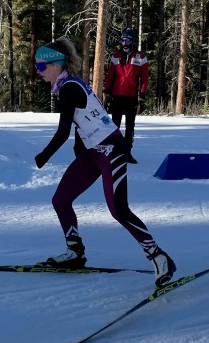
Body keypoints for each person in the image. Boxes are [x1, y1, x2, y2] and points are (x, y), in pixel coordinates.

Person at [33, 36, 176, 286]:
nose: (38, 71)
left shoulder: (69, 88)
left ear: (56, 64)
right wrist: (80, 153)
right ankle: (75, 252)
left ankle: (158, 256)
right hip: (93, 153)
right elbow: (82, 123)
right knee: (61, 200)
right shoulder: (68, 84)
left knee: (118, 209)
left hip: (111, 150)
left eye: (41, 66)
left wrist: (43, 156)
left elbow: (63, 131)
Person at [103, 26, 149, 164]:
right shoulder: (116, 56)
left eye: (127, 40)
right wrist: (108, 92)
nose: (124, 43)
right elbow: (110, 75)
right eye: (122, 40)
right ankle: (113, 152)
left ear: (133, 41)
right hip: (117, 96)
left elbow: (145, 79)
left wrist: (142, 94)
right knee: (114, 126)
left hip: (131, 97)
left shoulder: (141, 57)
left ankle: (127, 153)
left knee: (130, 127)